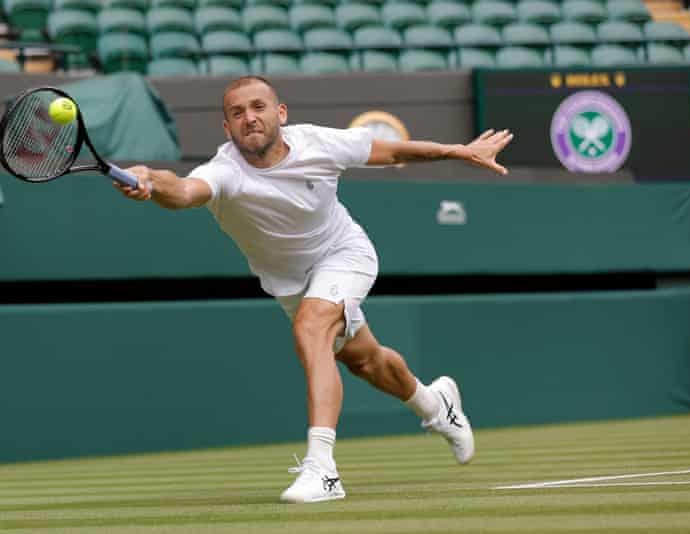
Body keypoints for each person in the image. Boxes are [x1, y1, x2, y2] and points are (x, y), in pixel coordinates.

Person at [116, 76, 514, 504]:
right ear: (226, 128)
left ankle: (323, 470)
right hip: (291, 283)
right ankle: (436, 405)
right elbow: (185, 191)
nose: (250, 117)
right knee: (366, 361)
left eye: (258, 107)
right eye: (237, 113)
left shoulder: (318, 144)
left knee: (312, 327)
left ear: (280, 113)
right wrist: (152, 181)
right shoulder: (223, 171)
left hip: (344, 254)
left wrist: (458, 150)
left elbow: (393, 151)